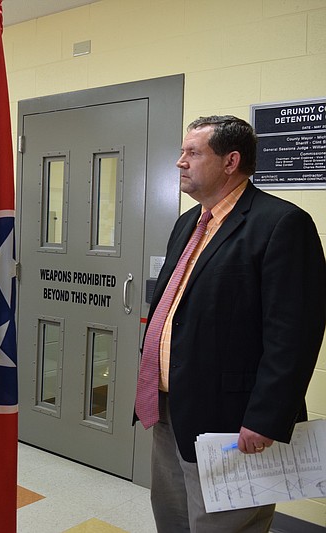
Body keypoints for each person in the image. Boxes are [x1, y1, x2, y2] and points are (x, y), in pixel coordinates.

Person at [134, 115, 326, 532]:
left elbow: (293, 335)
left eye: (193, 152)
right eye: (182, 152)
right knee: (173, 517)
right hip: (169, 408)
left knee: (226, 524)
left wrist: (266, 416)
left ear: (230, 161)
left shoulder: (281, 224)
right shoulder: (189, 222)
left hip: (231, 420)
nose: (180, 162)